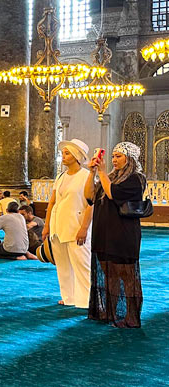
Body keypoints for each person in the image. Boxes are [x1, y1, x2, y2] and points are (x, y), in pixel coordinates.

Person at [85, 142, 146, 328]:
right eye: (112, 156)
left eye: (118, 156)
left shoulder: (136, 179)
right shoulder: (110, 177)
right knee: (109, 274)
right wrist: (92, 173)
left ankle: (131, 316)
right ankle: (110, 312)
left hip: (123, 234)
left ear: (130, 158)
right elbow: (89, 196)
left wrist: (102, 173)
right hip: (104, 232)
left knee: (126, 276)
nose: (114, 160)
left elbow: (112, 194)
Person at [42, 139, 92, 309]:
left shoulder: (86, 176)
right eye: (63, 153)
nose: (63, 156)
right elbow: (52, 202)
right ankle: (68, 297)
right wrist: (47, 226)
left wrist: (84, 228)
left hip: (76, 226)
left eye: (67, 153)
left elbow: (90, 205)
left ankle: (86, 300)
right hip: (58, 226)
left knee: (82, 264)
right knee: (63, 265)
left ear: (76, 156)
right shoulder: (61, 176)